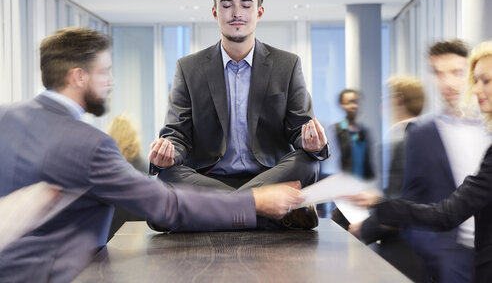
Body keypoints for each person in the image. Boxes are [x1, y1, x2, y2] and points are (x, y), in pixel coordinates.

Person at [0, 27, 305, 282]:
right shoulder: (90, 145)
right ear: (78, 76)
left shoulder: (5, 118)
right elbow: (165, 204)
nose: (111, 81)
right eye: (104, 72)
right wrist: (253, 202)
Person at [149, 0, 328, 229]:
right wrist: (168, 153)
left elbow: (298, 128)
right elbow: (177, 134)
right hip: (208, 178)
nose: (236, 13)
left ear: (259, 12)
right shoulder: (188, 67)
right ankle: (262, 210)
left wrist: (311, 142)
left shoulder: (286, 64)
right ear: (215, 12)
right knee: (167, 174)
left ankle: (210, 214)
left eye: (246, 5)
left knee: (307, 163)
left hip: (269, 175)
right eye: (227, 5)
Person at [372, 40, 492, 283]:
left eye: (486, 80)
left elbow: (446, 213)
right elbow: (415, 196)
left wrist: (380, 206)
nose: (447, 82)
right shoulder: (421, 132)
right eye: (438, 73)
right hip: (449, 260)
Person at [348, 76, 425, 282]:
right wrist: (378, 199)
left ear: (398, 99)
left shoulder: (405, 140)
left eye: (384, 98)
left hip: (406, 254)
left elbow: (405, 209)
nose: (381, 104)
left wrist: (362, 229)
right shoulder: (419, 135)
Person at [324, 89, 375, 228]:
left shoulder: (364, 131)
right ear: (342, 105)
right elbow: (330, 164)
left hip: (361, 194)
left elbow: (368, 166)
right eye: (349, 102)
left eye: (356, 102)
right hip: (342, 195)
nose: (354, 106)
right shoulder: (335, 130)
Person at [106, 114, 147, 238]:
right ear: (134, 136)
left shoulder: (106, 169)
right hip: (138, 237)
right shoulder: (143, 167)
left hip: (109, 240)